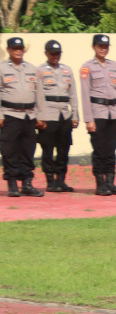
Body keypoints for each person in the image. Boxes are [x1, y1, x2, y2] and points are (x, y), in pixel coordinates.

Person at [81, 34, 116, 196]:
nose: (103, 49)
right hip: (98, 113)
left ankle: (110, 182)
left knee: (111, 150)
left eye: (106, 46)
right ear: (94, 47)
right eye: (100, 46)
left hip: (113, 113)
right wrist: (88, 119)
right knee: (99, 150)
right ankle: (100, 183)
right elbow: (85, 94)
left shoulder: (114, 66)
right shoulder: (87, 67)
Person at [35, 40, 79, 193]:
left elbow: (72, 94)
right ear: (46, 53)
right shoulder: (39, 71)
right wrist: (39, 116)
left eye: (58, 53)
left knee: (63, 149)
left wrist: (75, 114)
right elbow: (37, 95)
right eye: (52, 53)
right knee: (47, 149)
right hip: (48, 113)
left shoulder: (67, 70)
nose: (55, 56)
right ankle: (50, 181)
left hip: (64, 114)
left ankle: (61, 180)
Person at [2, 36, 43, 197]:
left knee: (28, 150)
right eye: (15, 49)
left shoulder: (32, 69)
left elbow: (39, 94)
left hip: (29, 116)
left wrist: (41, 115)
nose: (18, 51)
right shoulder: (2, 68)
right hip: (10, 115)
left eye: (20, 49)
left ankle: (27, 183)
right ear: (9, 50)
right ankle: (12, 184)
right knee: (9, 150)